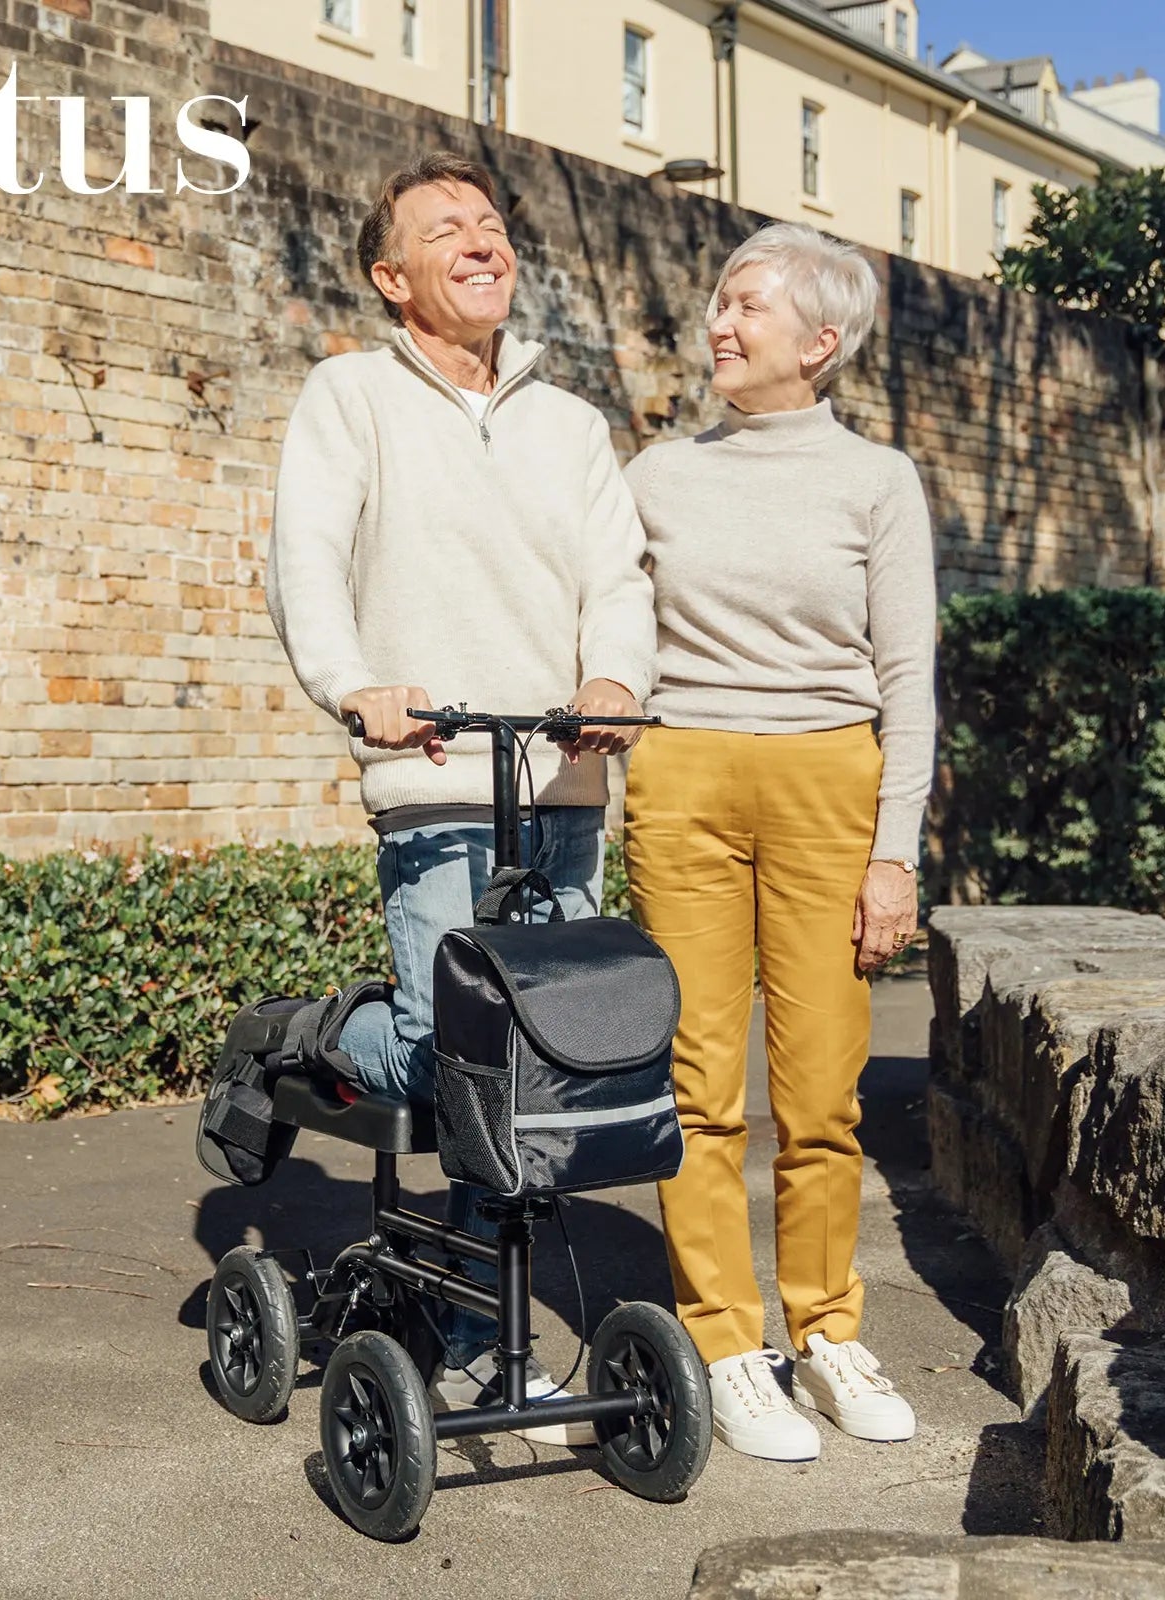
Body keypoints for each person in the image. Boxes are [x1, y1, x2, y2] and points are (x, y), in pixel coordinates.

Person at [266, 152, 655, 1443]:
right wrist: (354, 682)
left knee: (536, 1075)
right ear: (393, 277)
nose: (480, 241)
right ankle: (327, 1036)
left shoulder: (569, 423)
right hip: (434, 785)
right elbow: (307, 555)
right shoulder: (351, 398)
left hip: (562, 786)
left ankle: (493, 1341)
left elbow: (619, 577)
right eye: (445, 230)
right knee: (454, 1062)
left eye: (490, 223)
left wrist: (612, 673)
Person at [621, 222, 936, 1463]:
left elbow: (907, 675)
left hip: (829, 785)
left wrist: (893, 851)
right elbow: (604, 629)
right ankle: (725, 1340)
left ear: (820, 341)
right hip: (685, 774)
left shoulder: (879, 480)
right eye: (716, 300)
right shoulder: (652, 475)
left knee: (819, 1094)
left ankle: (826, 1331)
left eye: (746, 305)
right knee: (697, 1089)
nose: (720, 321)